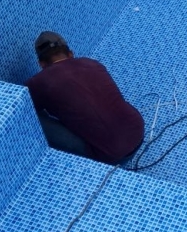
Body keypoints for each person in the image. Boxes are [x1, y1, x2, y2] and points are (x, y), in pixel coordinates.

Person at [25, 31, 144, 165]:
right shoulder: (92, 63)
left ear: (41, 64)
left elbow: (22, 105)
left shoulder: (39, 82)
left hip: (111, 156)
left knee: (28, 117)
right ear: (71, 54)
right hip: (138, 133)